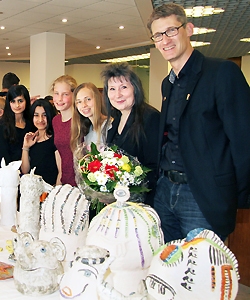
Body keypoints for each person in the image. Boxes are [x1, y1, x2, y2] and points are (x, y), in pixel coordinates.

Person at [147, 3, 250, 242]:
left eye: (171, 31)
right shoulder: (167, 83)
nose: (165, 40)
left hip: (202, 196)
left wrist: (240, 197)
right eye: (158, 35)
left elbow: (244, 140)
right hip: (166, 191)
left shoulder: (222, 72)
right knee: (167, 268)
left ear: (189, 29)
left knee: (204, 274)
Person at [101, 63, 160, 206]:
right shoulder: (116, 120)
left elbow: (154, 167)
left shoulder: (150, 117)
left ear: (136, 88)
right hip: (122, 200)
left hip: (145, 202)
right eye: (112, 89)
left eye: (124, 87)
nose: (118, 95)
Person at [21, 99, 61, 185]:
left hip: (50, 191)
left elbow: (61, 172)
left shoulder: (55, 139)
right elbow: (25, 171)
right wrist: (26, 147)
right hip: (33, 190)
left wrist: (55, 193)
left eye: (44, 115)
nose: (40, 119)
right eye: (36, 115)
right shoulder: (31, 138)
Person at [0, 84, 33, 168]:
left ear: (26, 101)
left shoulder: (31, 124)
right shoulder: (2, 125)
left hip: (28, 170)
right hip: (9, 172)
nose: (17, 105)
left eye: (20, 101)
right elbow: (3, 155)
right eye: (13, 101)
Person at [51, 75, 78, 186]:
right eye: (56, 93)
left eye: (65, 94)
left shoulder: (80, 120)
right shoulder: (56, 121)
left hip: (81, 183)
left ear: (74, 95)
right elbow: (60, 154)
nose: (60, 99)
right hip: (64, 181)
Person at [70, 82, 108, 152]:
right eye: (79, 102)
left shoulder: (110, 126)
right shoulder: (88, 130)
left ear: (97, 99)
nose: (84, 105)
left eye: (88, 99)